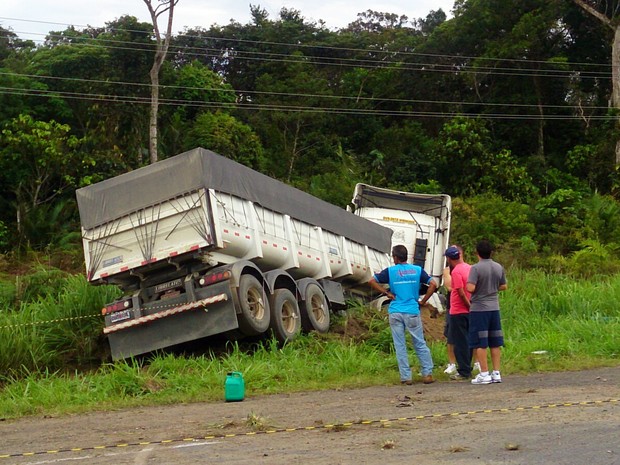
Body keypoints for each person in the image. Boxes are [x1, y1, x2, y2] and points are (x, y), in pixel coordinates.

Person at [369, 244, 437, 385]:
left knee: (400, 345)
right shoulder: (417, 270)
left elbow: (371, 281)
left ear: (395, 257)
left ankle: (406, 377)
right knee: (419, 342)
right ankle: (427, 373)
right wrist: (423, 301)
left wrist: (386, 293)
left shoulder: (391, 271)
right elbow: (433, 284)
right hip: (412, 311)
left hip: (395, 311)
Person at [466, 239, 508, 385]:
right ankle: (496, 372)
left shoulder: (476, 268)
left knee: (480, 342)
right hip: (494, 307)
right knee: (495, 341)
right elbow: (504, 286)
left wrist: (478, 288)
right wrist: (492, 288)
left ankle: (484, 373)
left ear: (477, 253)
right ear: (491, 252)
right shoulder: (498, 267)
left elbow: (470, 288)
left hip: (479, 309)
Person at [444, 245, 473, 380]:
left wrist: (468, 305)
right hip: (470, 310)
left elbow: (460, 292)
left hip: (458, 310)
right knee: (468, 339)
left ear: (449, 258)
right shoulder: (470, 268)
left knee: (459, 341)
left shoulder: (455, 272)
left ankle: (463, 371)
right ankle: (468, 366)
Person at [442, 265, 457, 375]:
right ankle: (452, 364)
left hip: (466, 305)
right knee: (451, 336)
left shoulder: (468, 268)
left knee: (470, 334)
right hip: (451, 306)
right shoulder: (447, 270)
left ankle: (476, 363)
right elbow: (449, 287)